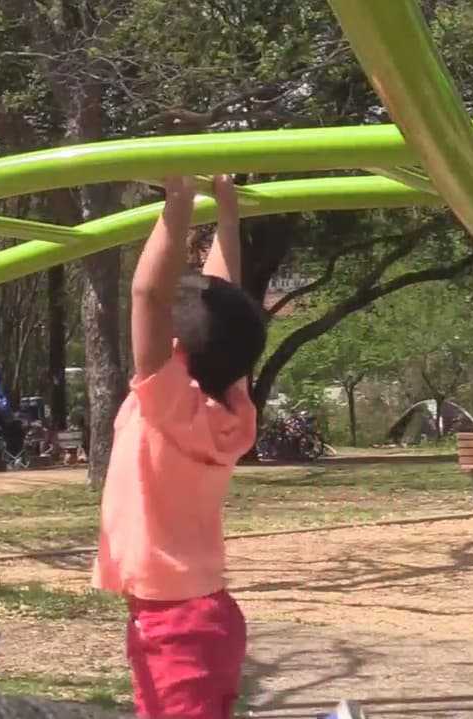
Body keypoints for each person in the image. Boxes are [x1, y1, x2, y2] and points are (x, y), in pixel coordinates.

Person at [92, 176, 367, 719]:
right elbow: (225, 299)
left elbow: (147, 294)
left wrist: (177, 205)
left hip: (175, 623)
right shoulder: (229, 406)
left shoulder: (168, 405)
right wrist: (226, 214)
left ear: (173, 353)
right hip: (202, 613)